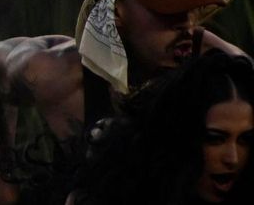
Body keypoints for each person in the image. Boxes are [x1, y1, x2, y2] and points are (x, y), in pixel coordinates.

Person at [0, 0, 243, 204]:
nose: (187, 23)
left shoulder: (227, 69)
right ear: (117, 12)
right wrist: (1, 188)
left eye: (191, 5)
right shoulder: (53, 75)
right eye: (168, 9)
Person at [68, 49, 254, 205]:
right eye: (215, 139)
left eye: (245, 140)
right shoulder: (115, 188)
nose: (233, 158)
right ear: (180, 135)